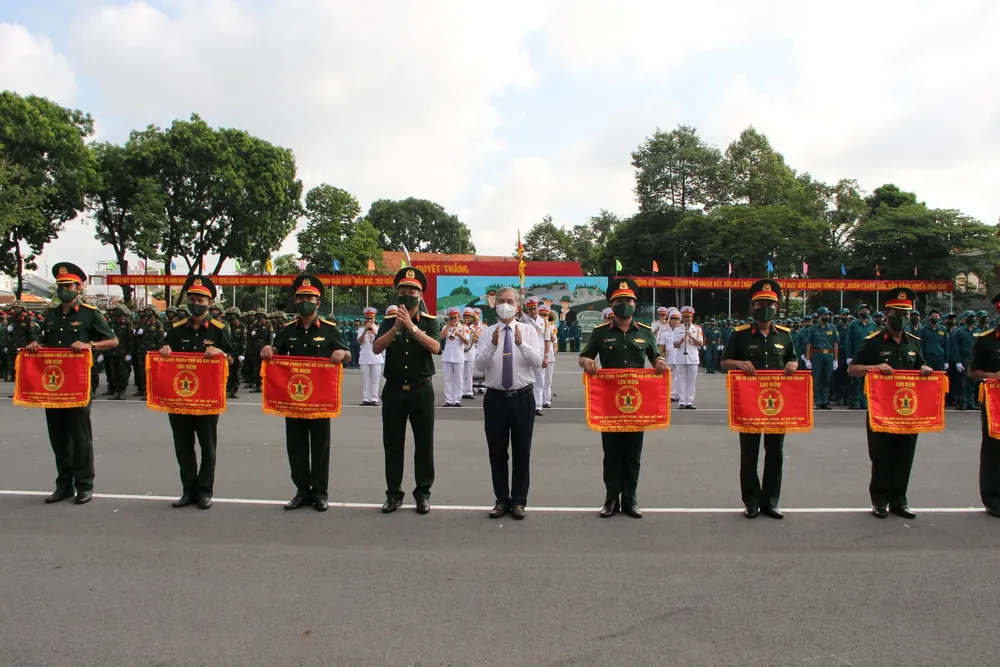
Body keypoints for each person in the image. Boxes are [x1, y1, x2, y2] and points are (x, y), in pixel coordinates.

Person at [24, 263, 118, 505]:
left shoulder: (90, 314)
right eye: (61, 286)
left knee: (80, 437)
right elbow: (46, 343)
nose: (64, 290)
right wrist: (37, 347)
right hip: (54, 385)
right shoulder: (51, 315)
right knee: (58, 437)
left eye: (68, 286)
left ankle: (84, 484)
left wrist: (90, 345)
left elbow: (113, 341)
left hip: (78, 384)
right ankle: (64, 485)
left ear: (79, 288)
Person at [579, 277, 669, 519]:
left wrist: (660, 361)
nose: (625, 304)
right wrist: (587, 362)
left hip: (636, 404)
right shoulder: (600, 333)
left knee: (632, 454)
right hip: (609, 403)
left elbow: (656, 356)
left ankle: (630, 499)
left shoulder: (646, 332)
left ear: (635, 304)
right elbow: (584, 356)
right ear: (612, 304)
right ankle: (611, 499)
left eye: (629, 300)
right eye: (620, 301)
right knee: (611, 454)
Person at [261, 275, 350, 512]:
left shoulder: (330, 330)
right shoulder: (287, 330)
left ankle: (320, 493)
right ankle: (302, 491)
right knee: (296, 447)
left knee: (320, 448)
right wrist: (269, 348)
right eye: (301, 298)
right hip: (294, 399)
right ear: (295, 300)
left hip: (320, 400)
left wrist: (342, 354)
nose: (305, 302)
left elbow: (348, 353)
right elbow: (277, 350)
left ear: (318, 302)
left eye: (310, 298)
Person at [847, 288, 933, 519]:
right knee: (881, 455)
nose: (903, 317)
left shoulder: (913, 342)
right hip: (881, 410)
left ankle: (899, 500)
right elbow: (852, 369)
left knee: (904, 455)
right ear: (887, 314)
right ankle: (879, 500)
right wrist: (873, 368)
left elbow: (921, 365)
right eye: (898, 312)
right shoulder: (873, 342)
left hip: (907, 410)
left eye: (906, 313)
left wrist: (925, 369)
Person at [721, 280, 798, 519]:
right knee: (749, 452)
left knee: (775, 452)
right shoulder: (740, 334)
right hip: (749, 402)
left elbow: (792, 358)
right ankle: (751, 501)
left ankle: (771, 501)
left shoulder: (784, 335)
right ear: (753, 307)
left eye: (770, 304)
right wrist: (739, 363)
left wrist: (793, 364)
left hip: (776, 403)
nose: (765, 308)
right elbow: (725, 362)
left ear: (777, 307)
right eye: (761, 304)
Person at [158, 275, 235, 510]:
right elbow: (161, 356)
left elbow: (233, 358)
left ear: (209, 303)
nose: (196, 303)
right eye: (192, 299)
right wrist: (164, 349)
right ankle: (188, 490)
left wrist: (221, 354)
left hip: (207, 398)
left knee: (207, 448)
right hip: (180, 397)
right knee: (183, 447)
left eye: (200, 300)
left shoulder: (219, 330)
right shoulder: (175, 329)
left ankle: (205, 491)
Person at [372, 267, 441, 514]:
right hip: (394, 392)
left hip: (421, 391)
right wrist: (396, 328)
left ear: (420, 295)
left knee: (424, 445)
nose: (408, 294)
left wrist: (412, 327)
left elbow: (435, 347)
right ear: (397, 293)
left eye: (413, 291)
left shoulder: (430, 322)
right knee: (392, 445)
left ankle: (423, 493)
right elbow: (376, 348)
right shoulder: (388, 322)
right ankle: (393, 494)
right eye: (403, 290)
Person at [475, 287, 543, 520]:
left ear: (518, 306)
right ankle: (501, 499)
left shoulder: (529, 331)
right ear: (495, 305)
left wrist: (522, 344)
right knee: (497, 453)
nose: (505, 305)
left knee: (522, 452)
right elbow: (479, 366)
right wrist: (493, 344)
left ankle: (519, 502)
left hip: (522, 398)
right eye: (501, 301)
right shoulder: (487, 332)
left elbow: (538, 361)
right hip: (495, 399)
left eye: (510, 301)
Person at [967, 293, 1000, 517]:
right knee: (993, 450)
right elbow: (973, 372)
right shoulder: (986, 340)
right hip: (994, 403)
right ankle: (993, 498)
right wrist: (993, 375)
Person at [804, 307, 839, 409]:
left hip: (829, 355)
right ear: (820, 316)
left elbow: (835, 344)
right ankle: (818, 401)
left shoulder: (832, 328)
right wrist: (807, 359)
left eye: (828, 315)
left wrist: (836, 360)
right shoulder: (812, 329)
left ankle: (825, 401)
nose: (827, 316)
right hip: (817, 355)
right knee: (817, 379)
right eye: (825, 315)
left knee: (826, 379)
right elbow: (809, 344)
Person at [844, 304, 877, 410]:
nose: (865, 312)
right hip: (857, 356)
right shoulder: (853, 325)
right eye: (863, 310)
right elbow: (848, 341)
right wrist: (849, 356)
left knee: (867, 380)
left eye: (867, 310)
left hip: (869, 356)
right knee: (857, 380)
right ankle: (856, 401)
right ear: (859, 312)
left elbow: (876, 341)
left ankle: (865, 401)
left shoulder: (873, 325)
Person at [672, 305, 703, 409]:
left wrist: (691, 337)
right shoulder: (677, 329)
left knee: (691, 380)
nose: (686, 319)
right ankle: (682, 401)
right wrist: (681, 341)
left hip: (692, 358)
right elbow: (674, 345)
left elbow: (700, 343)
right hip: (680, 357)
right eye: (684, 317)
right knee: (680, 380)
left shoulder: (697, 329)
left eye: (688, 317)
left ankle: (689, 401)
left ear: (692, 317)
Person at [521, 296, 547, 416]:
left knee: (539, 381)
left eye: (534, 308)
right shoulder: (523, 320)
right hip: (527, 354)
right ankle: (526, 405)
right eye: (530, 308)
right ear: (526, 309)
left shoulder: (544, 321)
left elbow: (547, 340)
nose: (533, 311)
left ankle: (538, 406)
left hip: (539, 354)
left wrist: (546, 356)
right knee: (526, 381)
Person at [440, 305, 469, 407]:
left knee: (459, 379)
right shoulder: (445, 327)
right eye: (451, 318)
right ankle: (448, 400)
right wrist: (448, 326)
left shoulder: (464, 328)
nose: (453, 319)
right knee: (448, 379)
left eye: (454, 317)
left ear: (458, 317)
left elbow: (467, 341)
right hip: (447, 356)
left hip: (458, 356)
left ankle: (457, 399)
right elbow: (441, 336)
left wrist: (458, 334)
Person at [953, 310, 979, 410]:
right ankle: (963, 402)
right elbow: (955, 347)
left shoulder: (978, 331)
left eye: (973, 317)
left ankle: (971, 403)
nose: (972, 319)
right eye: (969, 317)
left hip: (974, 359)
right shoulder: (960, 331)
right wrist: (958, 361)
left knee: (972, 382)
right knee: (963, 382)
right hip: (964, 359)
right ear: (965, 319)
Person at [358, 306, 383, 406]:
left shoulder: (379, 329)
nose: (369, 320)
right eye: (367, 318)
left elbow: (381, 341)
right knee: (365, 380)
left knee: (375, 380)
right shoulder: (361, 329)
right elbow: (359, 342)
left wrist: (374, 332)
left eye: (371, 318)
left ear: (374, 318)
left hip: (376, 358)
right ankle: (366, 398)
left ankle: (374, 398)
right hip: (365, 357)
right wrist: (365, 331)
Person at [537, 302, 557, 408]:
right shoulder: (536, 325)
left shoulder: (552, 326)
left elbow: (554, 340)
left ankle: (547, 400)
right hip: (538, 355)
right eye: (542, 315)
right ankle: (538, 400)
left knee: (548, 380)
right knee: (539, 380)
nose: (544, 317)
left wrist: (549, 330)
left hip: (549, 356)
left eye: (546, 315)